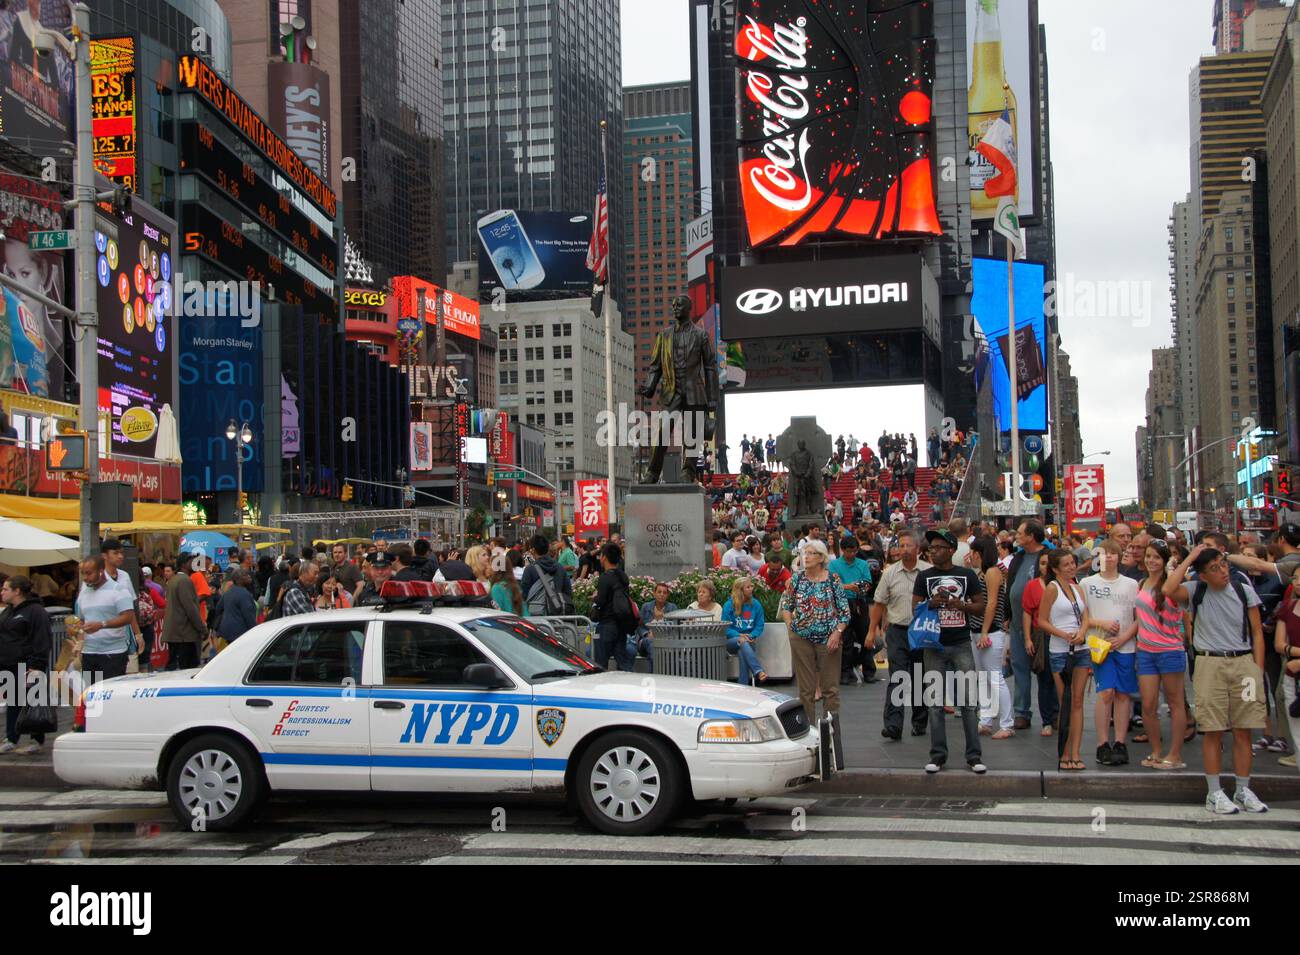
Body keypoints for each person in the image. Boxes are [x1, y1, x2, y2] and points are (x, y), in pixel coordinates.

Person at [1164, 545, 1269, 813]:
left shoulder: (1243, 590)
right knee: (1213, 729)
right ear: (1202, 574)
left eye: (1223, 564)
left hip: (1243, 663)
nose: (1222, 571)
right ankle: (1214, 792)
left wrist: (1257, 669)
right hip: (1209, 662)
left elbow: (1257, 632)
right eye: (1214, 569)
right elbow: (1168, 589)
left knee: (1245, 727)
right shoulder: (1195, 590)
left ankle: (1243, 789)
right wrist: (1189, 558)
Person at [911, 529, 987, 774]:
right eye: (931, 548)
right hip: (933, 644)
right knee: (934, 703)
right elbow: (915, 608)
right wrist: (929, 604)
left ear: (951, 550)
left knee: (968, 702)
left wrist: (961, 605)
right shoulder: (924, 576)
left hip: (961, 642)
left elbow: (980, 606)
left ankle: (974, 756)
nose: (933, 552)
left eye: (938, 548)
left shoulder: (966, 575)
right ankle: (938, 755)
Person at [781, 539, 851, 751]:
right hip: (801, 638)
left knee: (830, 689)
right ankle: (808, 736)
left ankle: (830, 735)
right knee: (806, 690)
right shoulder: (797, 579)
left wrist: (837, 633)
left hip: (828, 638)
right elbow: (786, 603)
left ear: (821, 557)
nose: (806, 557)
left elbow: (844, 612)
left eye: (811, 553)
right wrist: (790, 626)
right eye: (804, 553)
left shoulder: (833, 579)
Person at [1081, 539, 1139, 766]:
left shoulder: (1131, 584)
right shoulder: (1086, 583)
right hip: (1099, 646)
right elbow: (1083, 617)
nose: (1109, 558)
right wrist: (1102, 624)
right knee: (1105, 693)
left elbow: (1138, 618)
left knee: (1124, 694)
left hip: (1125, 646)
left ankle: (1121, 742)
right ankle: (1102, 743)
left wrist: (1124, 637)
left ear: (1119, 556)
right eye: (1104, 554)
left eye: (1114, 554)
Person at [1135, 539, 1188, 770]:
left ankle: (1175, 754)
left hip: (1170, 650)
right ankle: (1156, 751)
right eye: (1148, 556)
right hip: (1145, 651)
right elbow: (1138, 620)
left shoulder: (1173, 586)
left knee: (1175, 703)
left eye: (1156, 557)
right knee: (1148, 705)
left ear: (1165, 560)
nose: (1151, 561)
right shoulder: (1141, 583)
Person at [1037, 550, 1092, 771]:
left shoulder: (1078, 588)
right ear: (1056, 569)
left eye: (1073, 563)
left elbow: (1086, 616)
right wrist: (1062, 634)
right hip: (1060, 650)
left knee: (1078, 702)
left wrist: (1082, 631)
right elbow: (1041, 620)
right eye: (1067, 564)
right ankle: (1065, 752)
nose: (1071, 567)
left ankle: (1076, 752)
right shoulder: (1052, 589)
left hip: (1082, 648)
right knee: (1066, 701)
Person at [1007, 521, 1058, 734]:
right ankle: (1021, 712)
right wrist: (1008, 615)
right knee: (1019, 668)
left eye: (1019, 533)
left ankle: (1052, 714)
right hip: (1018, 622)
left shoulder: (1048, 556)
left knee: (1046, 671)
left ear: (1031, 536)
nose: (1016, 536)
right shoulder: (1018, 557)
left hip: (1042, 625)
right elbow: (1010, 587)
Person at [0, 576, 52, 754]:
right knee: (13, 702)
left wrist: (37, 665)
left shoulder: (35, 611)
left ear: (17, 591)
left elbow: (42, 638)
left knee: (33, 702)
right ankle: (11, 738)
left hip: (28, 665)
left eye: (6, 589)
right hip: (8, 665)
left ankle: (36, 740)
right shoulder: (8, 611)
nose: (2, 592)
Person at [968, 538, 1013, 739]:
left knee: (995, 678)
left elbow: (992, 603)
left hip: (990, 630)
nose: (970, 556)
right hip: (979, 629)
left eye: (972, 552)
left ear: (979, 552)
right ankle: (985, 720)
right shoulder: (982, 573)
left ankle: (1007, 723)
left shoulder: (993, 572)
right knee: (984, 678)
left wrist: (985, 631)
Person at [76, 555, 138, 683]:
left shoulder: (118, 590)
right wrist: (78, 636)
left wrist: (101, 624)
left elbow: (128, 616)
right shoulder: (84, 593)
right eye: (83, 574)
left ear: (100, 571)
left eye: (89, 573)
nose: (85, 577)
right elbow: (81, 620)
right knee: (91, 695)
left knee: (109, 696)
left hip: (113, 653)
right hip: (89, 653)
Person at [829, 535, 875, 684]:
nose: (852, 554)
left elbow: (867, 583)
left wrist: (859, 587)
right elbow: (832, 585)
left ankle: (869, 671)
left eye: (855, 551)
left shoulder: (862, 564)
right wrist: (850, 586)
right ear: (843, 550)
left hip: (860, 602)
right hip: (843, 603)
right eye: (849, 551)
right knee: (846, 639)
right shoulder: (834, 565)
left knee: (865, 637)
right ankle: (846, 672)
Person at [590, 543, 637, 671]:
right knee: (622, 661)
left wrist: (595, 598)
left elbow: (601, 601)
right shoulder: (623, 576)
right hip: (621, 625)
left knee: (601, 664)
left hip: (606, 625)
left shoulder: (605, 577)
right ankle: (628, 686)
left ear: (604, 557)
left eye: (601, 555)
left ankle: (603, 688)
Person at [162, 554, 207, 671]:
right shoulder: (184, 580)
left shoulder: (174, 579)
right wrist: (202, 628)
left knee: (174, 667)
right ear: (183, 565)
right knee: (186, 670)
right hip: (184, 634)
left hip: (176, 632)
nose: (195, 564)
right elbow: (190, 608)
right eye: (191, 561)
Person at [723, 577, 767, 685]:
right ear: (740, 590)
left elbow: (759, 625)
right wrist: (739, 635)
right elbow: (725, 628)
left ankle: (743, 686)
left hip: (749, 641)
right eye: (748, 587)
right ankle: (758, 670)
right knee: (742, 641)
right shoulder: (729, 605)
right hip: (732, 642)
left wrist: (751, 636)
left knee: (743, 648)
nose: (752, 588)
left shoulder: (756, 605)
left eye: (752, 586)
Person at [520, 534, 572, 616]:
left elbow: (524, 595)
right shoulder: (559, 567)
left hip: (537, 616)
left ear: (533, 550)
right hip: (558, 615)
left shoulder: (530, 570)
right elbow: (568, 591)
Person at [636, 582, 677, 667]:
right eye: (659, 592)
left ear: (667, 595)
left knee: (658, 645)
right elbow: (639, 626)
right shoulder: (646, 607)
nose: (662, 594)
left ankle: (655, 673)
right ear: (654, 593)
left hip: (665, 640)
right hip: (646, 641)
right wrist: (647, 634)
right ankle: (657, 673)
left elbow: (675, 628)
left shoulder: (672, 608)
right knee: (651, 642)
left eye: (664, 593)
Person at [217, 569, 259, 642]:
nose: (249, 576)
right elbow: (249, 617)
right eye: (246, 575)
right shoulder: (244, 594)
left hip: (227, 632)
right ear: (238, 580)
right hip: (240, 634)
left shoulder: (228, 592)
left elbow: (218, 609)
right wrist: (255, 633)